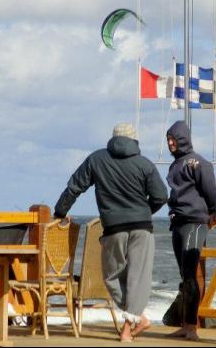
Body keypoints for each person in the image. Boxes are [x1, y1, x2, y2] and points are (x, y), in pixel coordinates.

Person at [54, 123, 168, 342]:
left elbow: (74, 187)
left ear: (113, 139)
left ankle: (128, 328)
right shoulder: (144, 164)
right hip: (142, 227)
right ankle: (137, 319)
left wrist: (60, 212)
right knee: (138, 277)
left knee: (111, 276)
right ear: (135, 141)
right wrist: (145, 211)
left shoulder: (97, 159)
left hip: (113, 228)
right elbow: (161, 197)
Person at [165, 120, 216, 341]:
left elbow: (212, 193)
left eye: (173, 139)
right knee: (184, 275)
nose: (170, 143)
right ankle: (185, 324)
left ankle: (192, 327)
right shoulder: (176, 164)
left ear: (183, 139)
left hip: (196, 222)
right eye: (168, 139)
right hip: (178, 222)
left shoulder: (199, 164)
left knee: (191, 275)